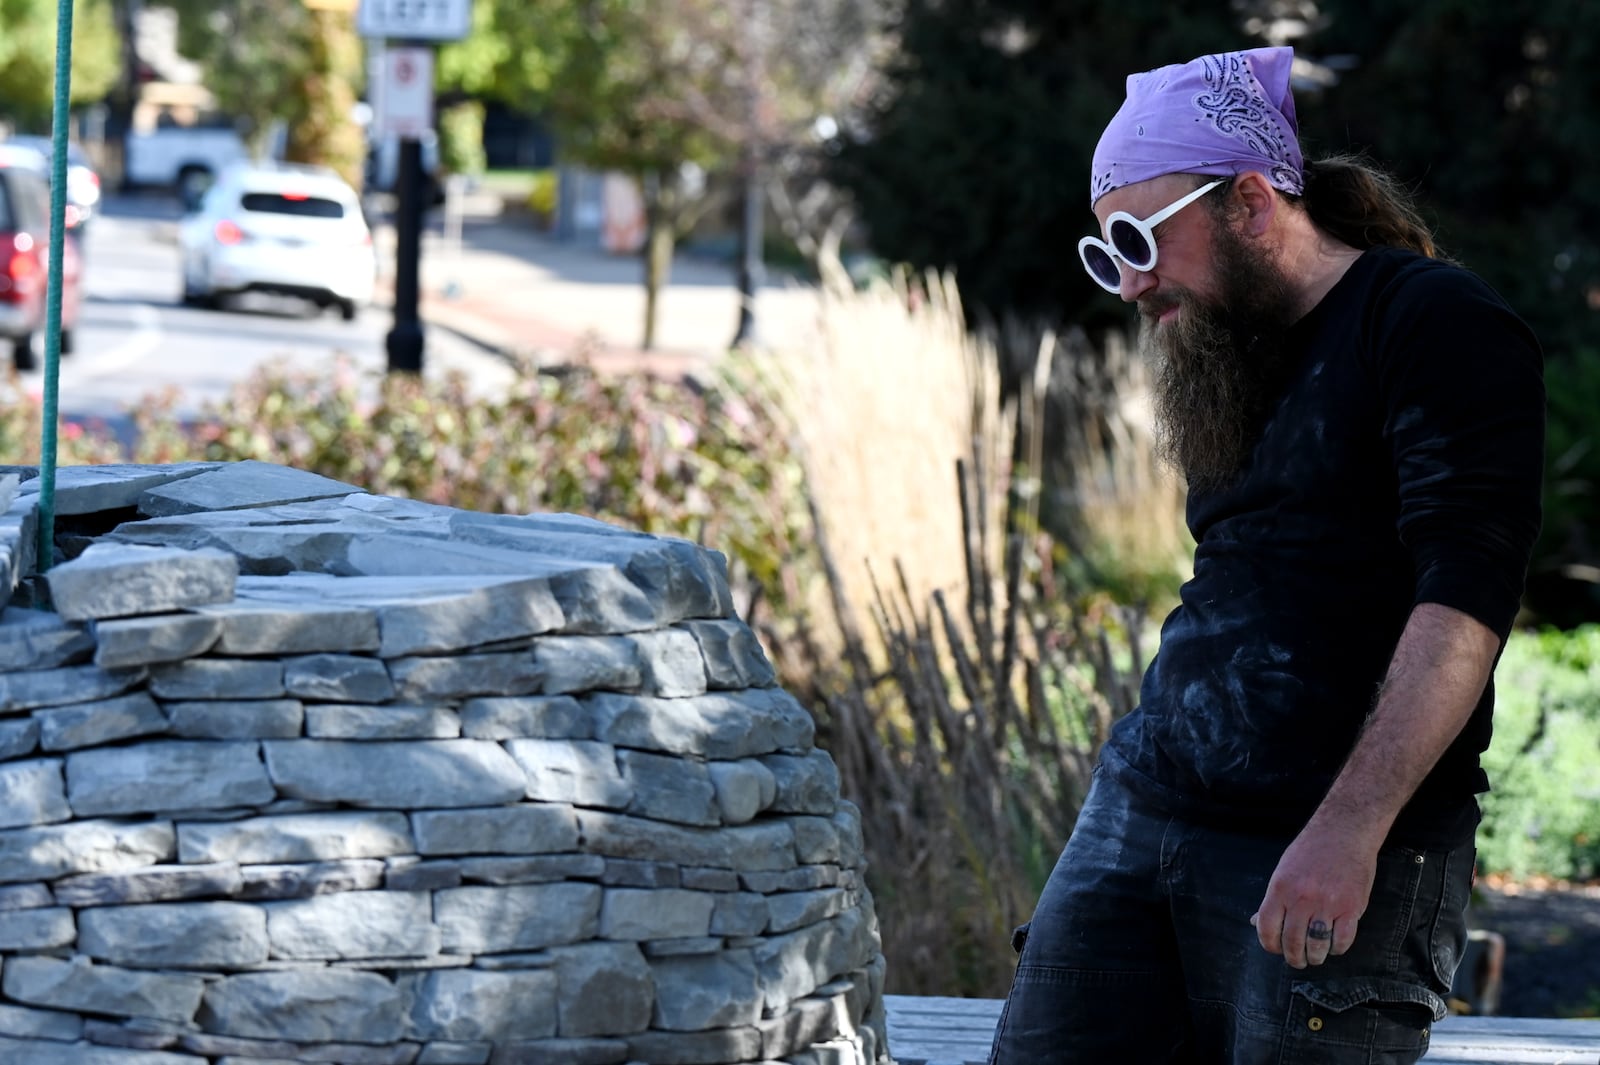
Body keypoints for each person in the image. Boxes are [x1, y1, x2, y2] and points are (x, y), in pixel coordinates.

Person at [988, 46, 1544, 1064]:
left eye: (1137, 241)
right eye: (1104, 252)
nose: (1130, 283)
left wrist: (1347, 831)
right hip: (1146, 803)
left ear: (1249, 202)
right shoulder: (1228, 354)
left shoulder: (1427, 322)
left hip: (1329, 840)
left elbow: (1466, 599)